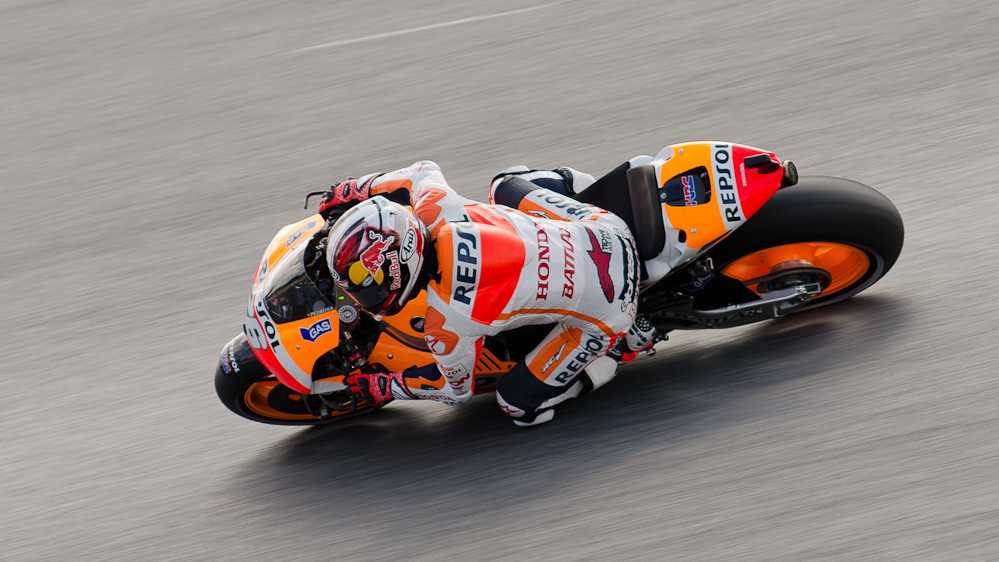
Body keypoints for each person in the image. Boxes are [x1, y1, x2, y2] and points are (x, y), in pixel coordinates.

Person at [319, 161, 655, 426]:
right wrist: (353, 189)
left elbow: (455, 392)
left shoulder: (446, 322)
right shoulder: (438, 205)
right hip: (608, 229)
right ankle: (583, 189)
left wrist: (384, 386)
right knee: (503, 183)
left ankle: (622, 348)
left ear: (398, 266)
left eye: (364, 278)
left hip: (613, 308)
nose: (360, 292)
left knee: (517, 406)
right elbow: (422, 170)